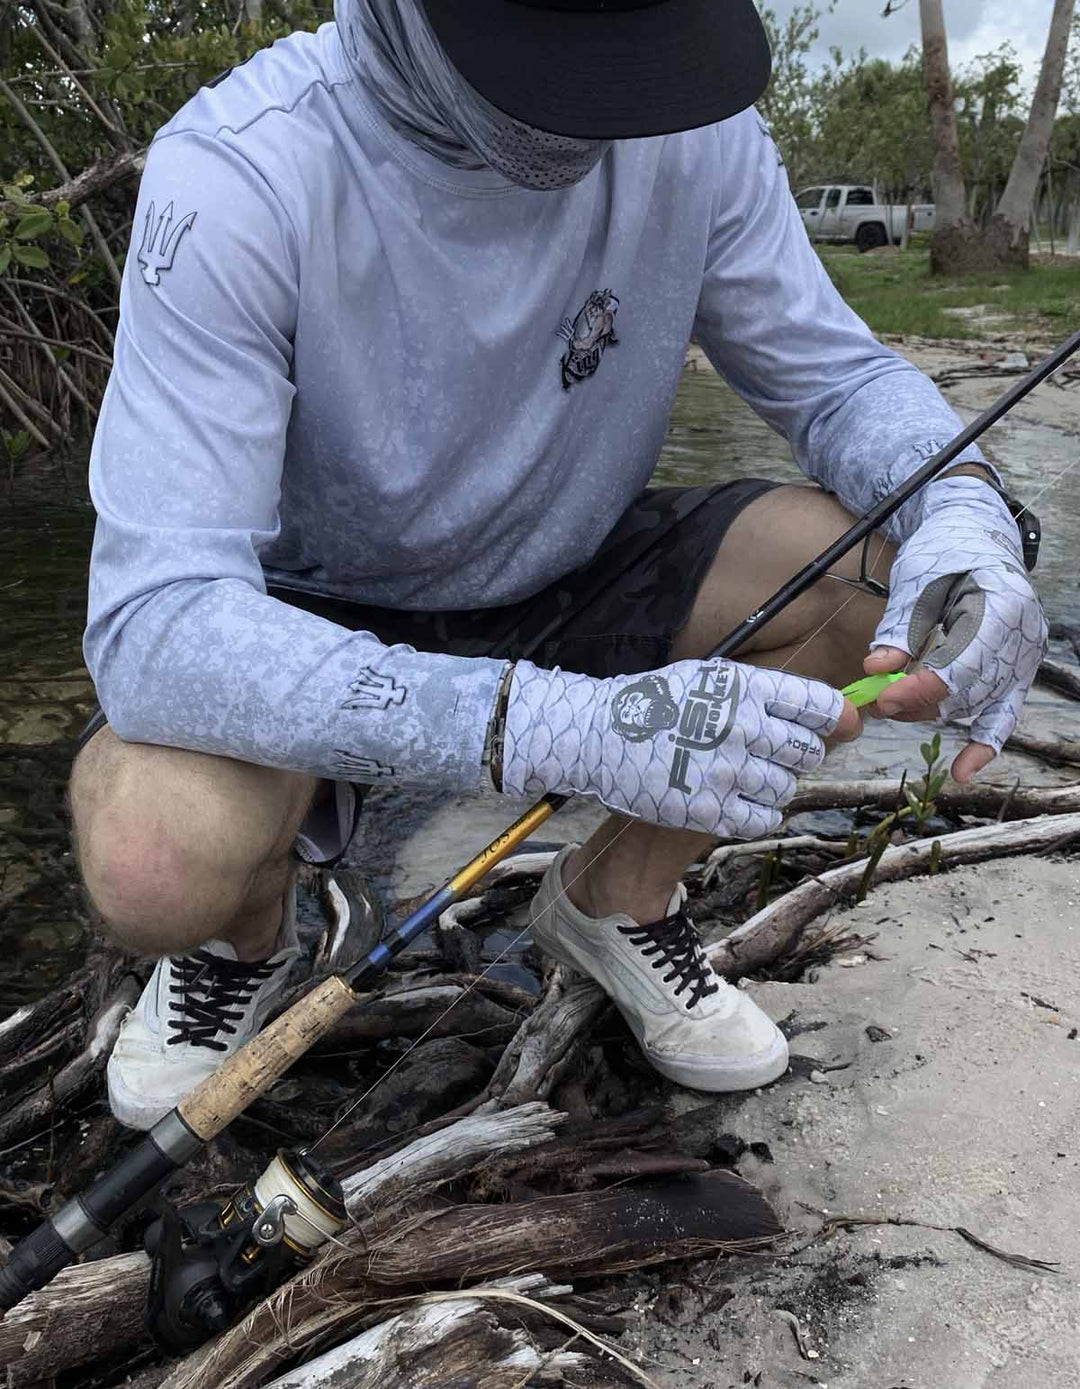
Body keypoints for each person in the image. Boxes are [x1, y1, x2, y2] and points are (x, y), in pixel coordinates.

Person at [70, 0, 1046, 1130]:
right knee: (151, 859)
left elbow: (835, 380)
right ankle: (246, 940)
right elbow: (159, 622)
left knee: (876, 574)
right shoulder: (239, 174)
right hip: (311, 608)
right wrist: (553, 726)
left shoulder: (694, 128)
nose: (608, 104)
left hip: (576, 564)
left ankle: (619, 897)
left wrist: (965, 507)